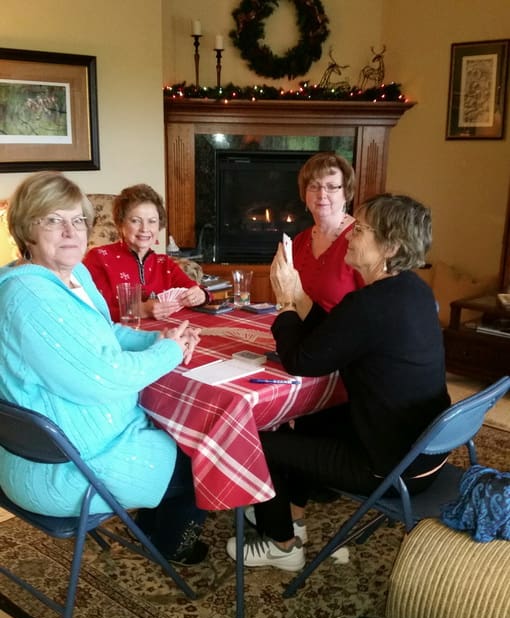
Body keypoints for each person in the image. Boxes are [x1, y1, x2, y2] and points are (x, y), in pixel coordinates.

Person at [227, 193, 451, 571]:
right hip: (425, 452)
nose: (349, 234)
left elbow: (301, 361)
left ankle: (282, 545)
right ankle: (292, 514)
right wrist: (299, 296)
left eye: (360, 230)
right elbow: (336, 334)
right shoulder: (413, 291)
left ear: (391, 247)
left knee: (256, 441)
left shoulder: (368, 305)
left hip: (390, 467)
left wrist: (285, 303)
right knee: (305, 419)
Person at [0, 171, 208, 565]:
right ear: (27, 229)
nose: (70, 231)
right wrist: (168, 353)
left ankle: (150, 526)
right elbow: (105, 377)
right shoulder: (30, 297)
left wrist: (158, 340)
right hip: (64, 468)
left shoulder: (72, 276)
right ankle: (170, 544)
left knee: (180, 428)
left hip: (73, 444)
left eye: (78, 220)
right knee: (204, 456)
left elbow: (105, 332)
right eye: (53, 220)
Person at [83, 183, 209, 322]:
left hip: (163, 331)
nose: (145, 229)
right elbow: (92, 311)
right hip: (117, 333)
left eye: (152, 221)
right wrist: (141, 311)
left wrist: (201, 295)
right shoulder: (98, 258)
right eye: (135, 221)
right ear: (121, 224)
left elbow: (197, 289)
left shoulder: (164, 263)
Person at [291, 152, 364, 311]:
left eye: (331, 187)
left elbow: (372, 305)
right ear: (305, 193)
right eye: (314, 186)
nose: (321, 194)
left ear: (346, 193)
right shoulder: (299, 241)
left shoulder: (361, 239)